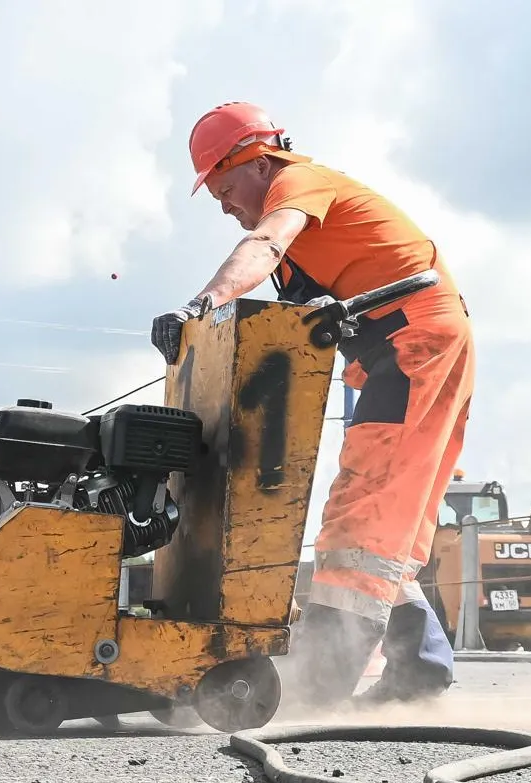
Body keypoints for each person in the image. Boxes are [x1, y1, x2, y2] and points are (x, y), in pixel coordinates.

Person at [150, 101, 475, 710]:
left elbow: (266, 242)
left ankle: (319, 686)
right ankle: (420, 672)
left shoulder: (299, 185)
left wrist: (204, 302)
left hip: (412, 345)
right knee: (389, 525)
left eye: (224, 188)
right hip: (415, 346)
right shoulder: (314, 229)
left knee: (361, 511)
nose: (225, 206)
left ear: (256, 161)